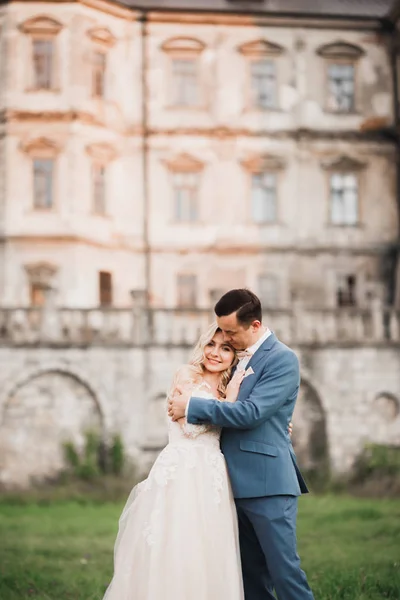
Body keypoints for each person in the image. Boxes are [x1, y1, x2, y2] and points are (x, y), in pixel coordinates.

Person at [169, 289, 314, 600]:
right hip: (227, 486)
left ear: (255, 326)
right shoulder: (231, 359)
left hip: (267, 483)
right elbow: (231, 405)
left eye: (232, 332)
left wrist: (192, 407)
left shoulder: (282, 359)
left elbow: (252, 412)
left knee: (284, 573)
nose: (227, 339)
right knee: (250, 580)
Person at [103, 323, 246, 600]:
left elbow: (241, 421)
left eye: (225, 348)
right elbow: (190, 428)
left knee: (209, 548)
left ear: (233, 354)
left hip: (213, 475)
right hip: (182, 471)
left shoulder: (230, 384)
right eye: (211, 345)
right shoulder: (187, 374)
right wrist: (229, 404)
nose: (215, 353)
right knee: (178, 542)